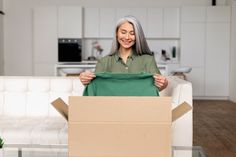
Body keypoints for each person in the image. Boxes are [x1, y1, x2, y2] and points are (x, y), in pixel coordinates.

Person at [79, 15, 168, 91]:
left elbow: (159, 87)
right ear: (117, 33)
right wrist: (86, 80)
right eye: (123, 32)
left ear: (138, 36)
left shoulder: (148, 60)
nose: (127, 37)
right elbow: (96, 88)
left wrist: (164, 82)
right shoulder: (103, 62)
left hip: (140, 108)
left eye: (132, 33)